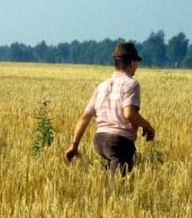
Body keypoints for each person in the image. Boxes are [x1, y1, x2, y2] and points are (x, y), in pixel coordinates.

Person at [64, 41, 155, 176]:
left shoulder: (102, 85)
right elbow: (129, 113)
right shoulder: (131, 84)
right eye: (136, 62)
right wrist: (148, 126)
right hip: (119, 142)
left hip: (99, 140)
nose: (137, 66)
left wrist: (74, 145)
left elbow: (85, 117)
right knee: (119, 188)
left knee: (107, 181)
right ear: (131, 62)